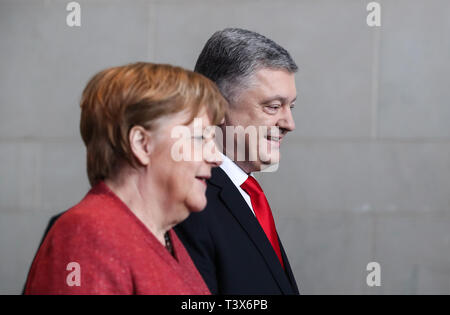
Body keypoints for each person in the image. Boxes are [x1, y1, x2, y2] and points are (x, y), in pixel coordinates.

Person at [24, 62, 226, 294]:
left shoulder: (166, 237)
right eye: (200, 137)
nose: (216, 157)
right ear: (142, 144)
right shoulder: (87, 235)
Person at [174, 28, 300, 295]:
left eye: (291, 107)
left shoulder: (247, 194)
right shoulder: (189, 202)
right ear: (216, 106)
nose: (289, 124)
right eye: (273, 107)